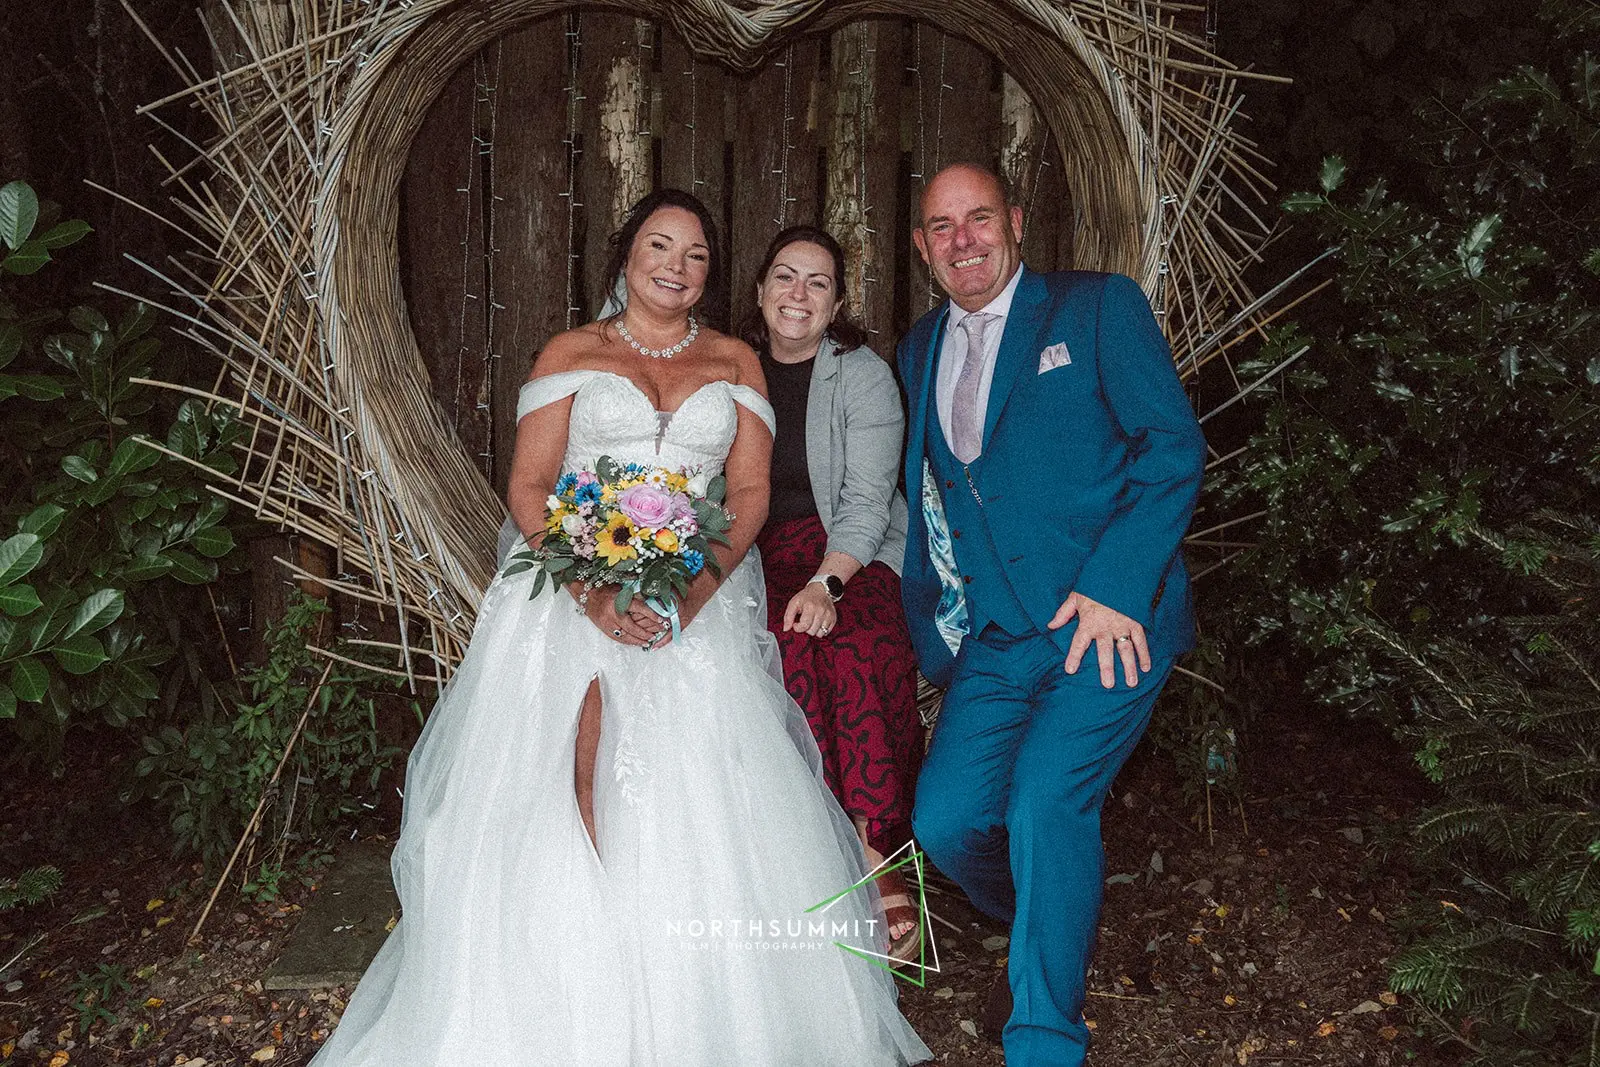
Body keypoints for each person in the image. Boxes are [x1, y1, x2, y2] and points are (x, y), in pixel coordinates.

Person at [311, 189, 930, 1066]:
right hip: (570, 588)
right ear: (626, 255)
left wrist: (692, 595)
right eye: (659, 246)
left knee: (704, 792)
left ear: (714, 276)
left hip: (696, 596)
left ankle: (694, 1000)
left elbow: (747, 496)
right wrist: (594, 594)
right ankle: (576, 982)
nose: (676, 267)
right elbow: (530, 488)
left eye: (696, 255)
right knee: (577, 765)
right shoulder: (571, 351)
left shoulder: (734, 362)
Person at [898, 163, 1205, 1066]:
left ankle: (1043, 1036)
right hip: (997, 634)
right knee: (947, 822)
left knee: (1043, 802)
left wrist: (1117, 583)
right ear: (922, 248)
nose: (963, 240)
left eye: (979, 218)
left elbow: (1172, 447)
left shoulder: (1099, 307)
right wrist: (941, 622)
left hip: (1111, 615)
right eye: (942, 227)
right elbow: (938, 497)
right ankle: (1049, 918)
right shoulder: (919, 349)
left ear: (1016, 223)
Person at [743, 226, 924, 962]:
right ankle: (819, 850)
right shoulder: (733, 368)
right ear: (759, 292)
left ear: (837, 300)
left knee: (852, 643)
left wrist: (828, 580)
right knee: (784, 647)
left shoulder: (863, 374)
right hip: (757, 558)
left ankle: (874, 852)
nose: (798, 294)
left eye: (817, 282)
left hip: (856, 552)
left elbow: (869, 496)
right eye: (785, 277)